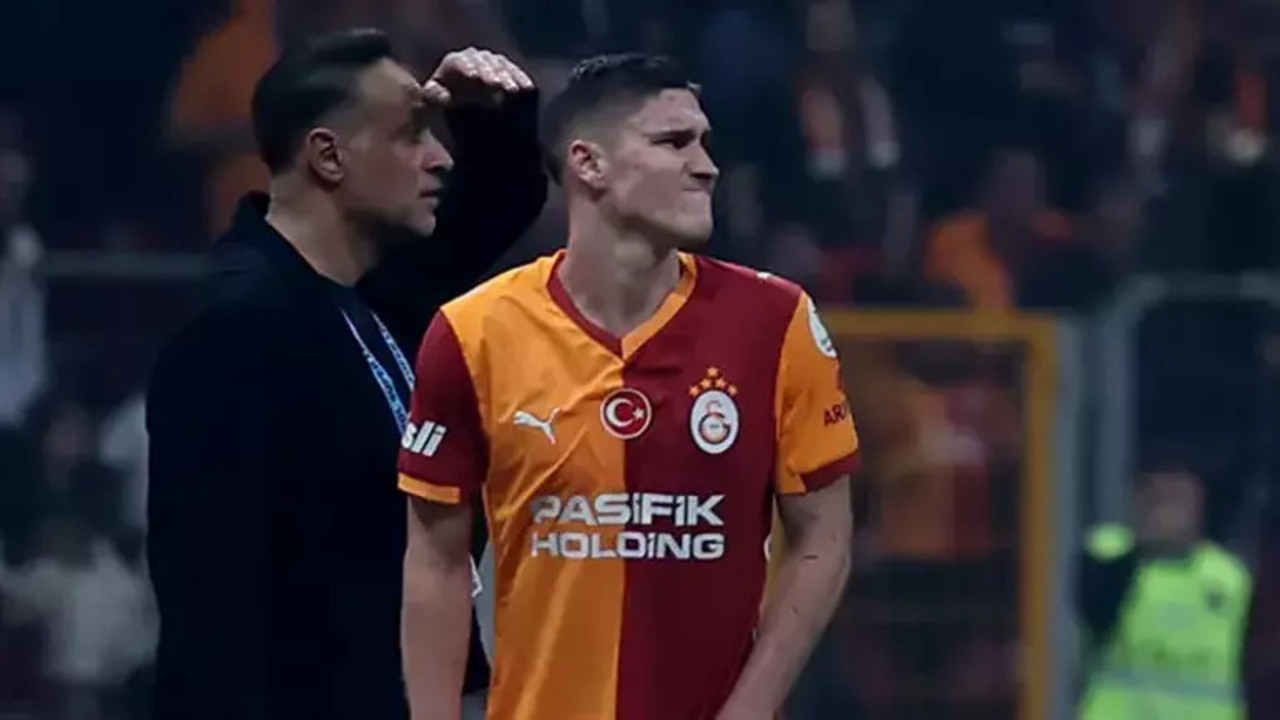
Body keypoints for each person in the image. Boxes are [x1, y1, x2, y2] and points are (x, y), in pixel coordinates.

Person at [398, 53, 858, 720]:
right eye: (674, 142)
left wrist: (750, 709)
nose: (706, 165)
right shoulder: (474, 332)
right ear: (590, 164)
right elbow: (435, 562)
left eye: (704, 142)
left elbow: (824, 536)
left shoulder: (777, 322)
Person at [145, 29, 546, 720]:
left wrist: (488, 114)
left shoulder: (369, 290)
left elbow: (494, 207)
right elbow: (212, 605)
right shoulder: (241, 325)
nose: (440, 156)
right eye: (410, 133)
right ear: (328, 156)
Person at [1078, 459, 1252, 720]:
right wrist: (1139, 550)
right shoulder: (1107, 555)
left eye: (1176, 499)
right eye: (1155, 497)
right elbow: (1091, 613)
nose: (1165, 511)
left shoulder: (1229, 578)